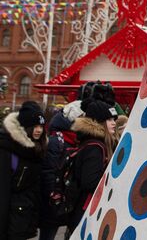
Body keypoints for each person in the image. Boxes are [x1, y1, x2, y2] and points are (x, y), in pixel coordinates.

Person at [66, 99, 118, 232]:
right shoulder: (95, 147)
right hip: (87, 211)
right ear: (99, 122)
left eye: (114, 119)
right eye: (109, 119)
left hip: (85, 210)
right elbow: (90, 182)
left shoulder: (92, 143)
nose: (113, 123)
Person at [0, 101, 48, 240]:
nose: (39, 130)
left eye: (41, 126)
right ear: (24, 127)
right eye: (35, 126)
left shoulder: (36, 150)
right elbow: (3, 194)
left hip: (25, 220)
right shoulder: (7, 151)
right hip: (11, 224)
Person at [38, 101, 83, 240]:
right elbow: (48, 171)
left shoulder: (73, 139)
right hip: (53, 201)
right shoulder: (57, 140)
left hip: (64, 198)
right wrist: (54, 197)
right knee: (48, 234)